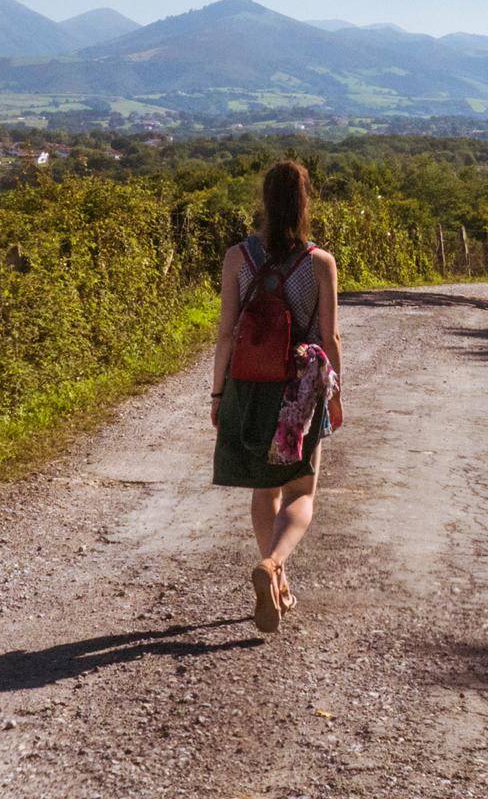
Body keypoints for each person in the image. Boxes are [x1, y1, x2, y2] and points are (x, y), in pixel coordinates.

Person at [210, 158, 344, 632]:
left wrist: (217, 394)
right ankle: (274, 565)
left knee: (263, 489)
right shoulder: (320, 262)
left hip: (248, 386)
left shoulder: (236, 258)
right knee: (301, 490)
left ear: (264, 202)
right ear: (305, 203)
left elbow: (226, 335)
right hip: (299, 393)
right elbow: (329, 339)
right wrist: (334, 395)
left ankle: (277, 578)